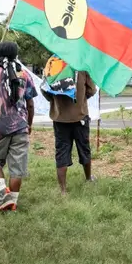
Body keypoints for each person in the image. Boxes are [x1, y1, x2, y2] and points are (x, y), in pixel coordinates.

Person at [0, 41, 37, 212]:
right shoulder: (25, 75)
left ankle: (3, 192)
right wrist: (29, 124)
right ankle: (12, 203)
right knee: (17, 169)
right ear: (15, 55)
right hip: (20, 127)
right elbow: (31, 104)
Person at [41, 65, 98, 194]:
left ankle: (63, 190)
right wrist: (80, 99)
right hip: (80, 116)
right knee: (84, 147)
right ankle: (88, 178)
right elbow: (92, 90)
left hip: (60, 118)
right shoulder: (81, 66)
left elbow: (45, 91)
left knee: (61, 151)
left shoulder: (52, 65)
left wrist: (55, 100)